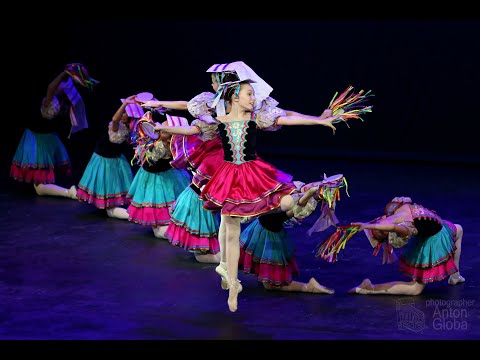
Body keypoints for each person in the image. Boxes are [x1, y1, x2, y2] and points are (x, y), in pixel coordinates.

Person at [155, 79, 340, 312]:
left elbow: (287, 119)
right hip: (229, 175)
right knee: (230, 226)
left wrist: (318, 121)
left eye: (253, 94)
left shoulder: (255, 119)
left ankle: (226, 266)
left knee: (288, 200)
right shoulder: (218, 121)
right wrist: (164, 129)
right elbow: (191, 130)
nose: (254, 98)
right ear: (235, 97)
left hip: (253, 172)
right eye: (249, 94)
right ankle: (232, 282)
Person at [238, 177, 346, 294]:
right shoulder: (298, 187)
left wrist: (309, 194)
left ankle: (307, 287)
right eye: (315, 183)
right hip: (259, 227)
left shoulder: (305, 205)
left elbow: (293, 209)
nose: (311, 186)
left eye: (315, 190)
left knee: (271, 286)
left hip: (269, 235)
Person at [10, 63, 98, 199]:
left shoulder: (58, 100)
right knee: (39, 183)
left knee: (40, 184)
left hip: (46, 138)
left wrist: (72, 76)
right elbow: (51, 87)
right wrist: (66, 74)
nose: (61, 85)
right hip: (38, 138)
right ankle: (68, 192)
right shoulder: (50, 101)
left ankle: (69, 192)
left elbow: (57, 88)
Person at [348, 196, 465, 295]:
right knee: (415, 289)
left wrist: (368, 225)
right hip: (433, 238)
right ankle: (370, 288)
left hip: (435, 227)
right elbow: (391, 226)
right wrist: (369, 226)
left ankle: (455, 277)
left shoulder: (393, 211)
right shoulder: (401, 218)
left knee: (459, 229)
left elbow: (388, 225)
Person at [126, 111, 192, 238]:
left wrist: (149, 140)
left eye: (163, 130)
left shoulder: (162, 146)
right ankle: (169, 227)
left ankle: (175, 231)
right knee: (160, 208)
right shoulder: (166, 143)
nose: (159, 129)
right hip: (155, 175)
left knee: (162, 204)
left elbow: (151, 157)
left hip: (161, 178)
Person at [76, 95, 142, 219]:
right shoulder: (115, 125)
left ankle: (127, 212)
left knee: (115, 192)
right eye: (122, 111)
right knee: (105, 188)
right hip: (103, 160)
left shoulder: (131, 129)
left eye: (126, 113)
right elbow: (115, 119)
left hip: (116, 160)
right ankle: (124, 212)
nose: (123, 114)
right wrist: (125, 103)